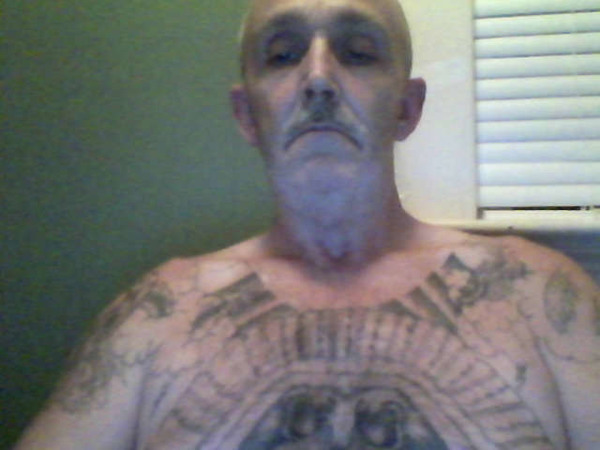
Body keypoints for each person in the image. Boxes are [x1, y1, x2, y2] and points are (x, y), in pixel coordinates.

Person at [14, 0, 600, 448]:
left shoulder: (542, 297)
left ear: (407, 107)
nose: (319, 77)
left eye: (358, 52)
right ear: (247, 115)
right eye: (282, 54)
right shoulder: (153, 315)